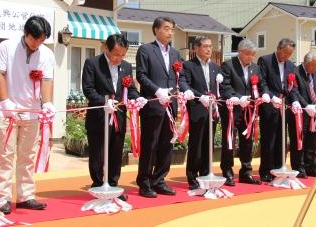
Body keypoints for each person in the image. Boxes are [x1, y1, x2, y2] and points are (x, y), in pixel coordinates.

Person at [0, 16, 55, 214]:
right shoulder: (6, 47)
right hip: (8, 112)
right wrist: (5, 102)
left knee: (27, 156)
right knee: (5, 155)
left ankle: (26, 196)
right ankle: (2, 198)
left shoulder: (46, 54)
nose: (37, 44)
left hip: (32, 112)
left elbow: (46, 80)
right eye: (34, 39)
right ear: (25, 33)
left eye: (41, 40)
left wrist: (47, 103)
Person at [82, 34, 145, 201]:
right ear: (106, 49)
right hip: (99, 116)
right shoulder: (93, 63)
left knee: (116, 152)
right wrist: (104, 101)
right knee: (98, 152)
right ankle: (97, 184)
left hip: (119, 115)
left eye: (123, 55)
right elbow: (88, 89)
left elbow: (130, 88)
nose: (119, 58)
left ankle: (113, 185)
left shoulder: (125, 66)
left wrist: (135, 97)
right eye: (116, 54)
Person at [136, 16, 193, 198]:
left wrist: (185, 90)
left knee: (166, 144)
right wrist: (157, 90)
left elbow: (180, 76)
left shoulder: (176, 53)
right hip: (153, 104)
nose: (170, 32)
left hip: (170, 104)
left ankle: (159, 180)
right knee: (150, 144)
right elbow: (141, 75)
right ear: (156, 30)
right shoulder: (146, 50)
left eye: (172, 29)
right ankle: (144, 182)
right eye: (167, 28)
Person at [219, 38, 270, 186]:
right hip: (232, 110)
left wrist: (265, 93)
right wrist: (237, 98)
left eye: (253, 54)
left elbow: (262, 83)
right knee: (229, 141)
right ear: (240, 52)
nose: (251, 57)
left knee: (247, 142)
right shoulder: (228, 65)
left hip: (250, 111)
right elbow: (225, 86)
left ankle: (246, 172)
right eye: (248, 54)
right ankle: (227, 172)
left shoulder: (255, 67)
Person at [257, 38, 300, 182]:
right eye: (285, 53)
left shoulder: (290, 65)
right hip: (270, 105)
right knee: (269, 139)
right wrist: (269, 96)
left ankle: (279, 167)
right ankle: (266, 171)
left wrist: (294, 101)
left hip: (284, 107)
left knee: (282, 139)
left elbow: (292, 86)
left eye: (290, 54)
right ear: (278, 48)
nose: (286, 56)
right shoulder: (265, 60)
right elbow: (262, 81)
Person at [183, 36, 220, 190]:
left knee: (208, 143)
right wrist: (200, 96)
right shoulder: (189, 65)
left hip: (212, 110)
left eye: (210, 46)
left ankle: (206, 172)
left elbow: (218, 88)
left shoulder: (215, 67)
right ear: (196, 48)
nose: (209, 49)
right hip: (197, 109)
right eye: (205, 46)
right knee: (196, 144)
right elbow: (186, 84)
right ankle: (192, 176)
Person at [294, 52, 316, 177]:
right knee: (300, 141)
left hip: (315, 114)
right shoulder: (295, 72)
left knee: (311, 141)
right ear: (307, 63)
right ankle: (299, 168)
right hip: (301, 113)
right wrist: (305, 105)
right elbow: (294, 92)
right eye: (315, 65)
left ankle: (311, 167)